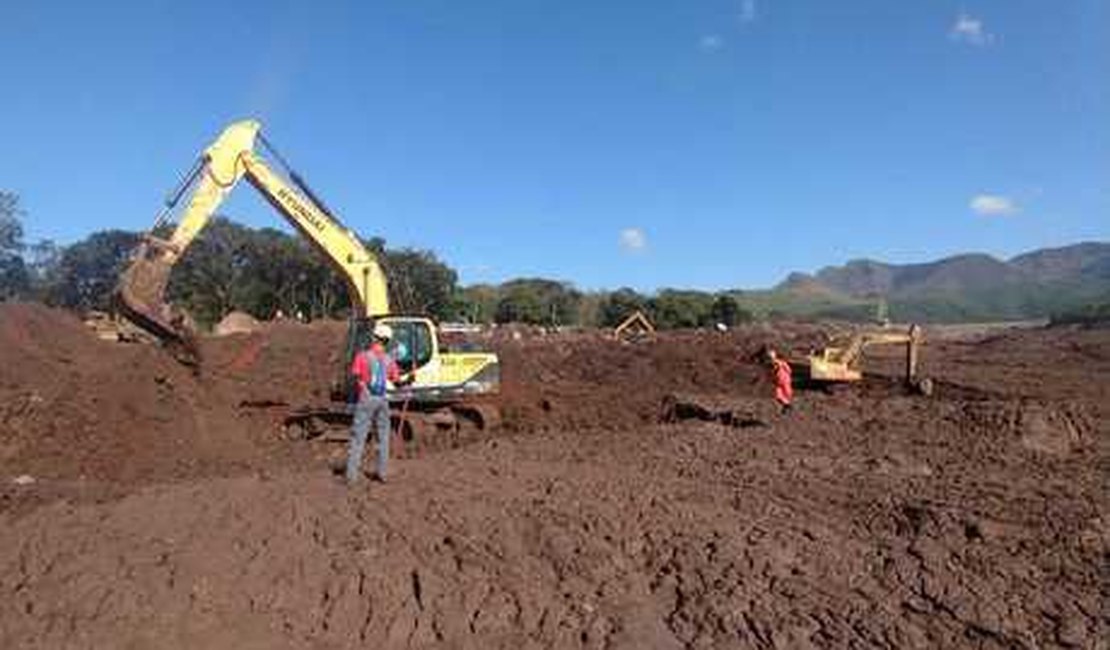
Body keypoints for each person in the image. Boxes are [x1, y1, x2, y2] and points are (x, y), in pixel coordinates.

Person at [346, 322, 402, 484]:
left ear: (374, 337)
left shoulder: (362, 356)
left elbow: (356, 377)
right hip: (382, 400)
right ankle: (382, 474)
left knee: (358, 437)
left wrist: (363, 386)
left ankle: (351, 477)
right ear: (387, 341)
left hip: (366, 398)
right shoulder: (389, 360)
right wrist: (407, 381)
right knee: (383, 437)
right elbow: (397, 381)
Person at [763, 346, 794, 415]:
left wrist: (787, 375)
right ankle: (786, 405)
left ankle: (787, 405)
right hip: (778, 382)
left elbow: (788, 369)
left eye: (771, 357)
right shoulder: (771, 365)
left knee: (787, 393)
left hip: (785, 380)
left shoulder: (780, 363)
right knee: (778, 396)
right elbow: (771, 374)